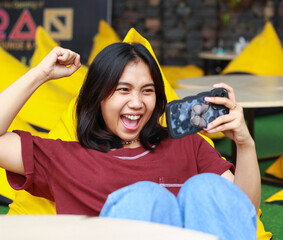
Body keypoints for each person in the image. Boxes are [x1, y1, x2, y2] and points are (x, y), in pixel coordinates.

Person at [0, 42, 261, 240]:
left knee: (208, 188)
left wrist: (244, 143)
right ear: (98, 97)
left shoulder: (188, 145)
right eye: (123, 89)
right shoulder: (65, 158)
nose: (136, 103)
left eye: (147, 91)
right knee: (144, 199)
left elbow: (241, 213)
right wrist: (40, 74)